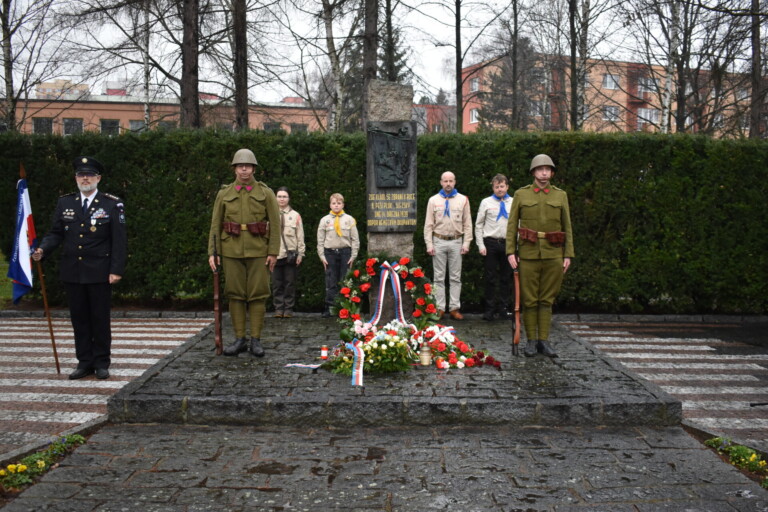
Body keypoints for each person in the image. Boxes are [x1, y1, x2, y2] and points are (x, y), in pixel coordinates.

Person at [32, 157, 127, 380]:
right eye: (81, 175)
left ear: (98, 178)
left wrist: (116, 270)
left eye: (90, 175)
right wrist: (43, 250)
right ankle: (84, 362)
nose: (85, 178)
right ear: (76, 178)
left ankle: (102, 362)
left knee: (99, 318)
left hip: (100, 270)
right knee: (79, 318)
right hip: (73, 270)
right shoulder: (66, 203)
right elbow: (56, 233)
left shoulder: (112, 203)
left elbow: (119, 241)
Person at [208, 149, 280, 357]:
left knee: (258, 295)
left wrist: (273, 251)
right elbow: (215, 224)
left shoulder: (266, 193)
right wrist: (213, 252)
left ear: (254, 168)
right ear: (234, 169)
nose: (244, 169)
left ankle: (255, 340)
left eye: (248, 166)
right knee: (235, 294)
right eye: (240, 166)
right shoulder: (224, 194)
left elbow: (275, 224)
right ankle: (240, 339)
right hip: (231, 249)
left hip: (259, 250)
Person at [506, 154, 574, 358]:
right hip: (528, 253)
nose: (544, 173)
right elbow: (512, 225)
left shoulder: (560, 195)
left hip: (554, 253)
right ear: (533, 172)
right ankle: (531, 341)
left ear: (551, 172)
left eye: (548, 169)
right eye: (540, 169)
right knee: (529, 300)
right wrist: (511, 251)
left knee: (547, 299)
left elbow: (567, 226)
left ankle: (543, 340)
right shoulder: (521, 194)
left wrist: (568, 254)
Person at [423, 171, 472, 320]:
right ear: (441, 182)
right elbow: (428, 225)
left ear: (455, 182)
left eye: (451, 181)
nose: (448, 184)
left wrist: (467, 242)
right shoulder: (433, 200)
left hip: (456, 241)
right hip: (439, 241)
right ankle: (439, 307)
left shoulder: (463, 200)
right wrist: (429, 244)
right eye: (445, 181)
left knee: (455, 277)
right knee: (438, 277)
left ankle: (454, 308)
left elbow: (468, 223)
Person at [475, 174, 513, 321]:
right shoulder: (486, 202)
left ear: (507, 187)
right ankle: (489, 310)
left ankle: (503, 309)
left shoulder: (513, 202)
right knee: (490, 278)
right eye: (496, 187)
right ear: (493, 187)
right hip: (490, 243)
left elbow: (518, 225)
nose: (499, 189)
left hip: (507, 243)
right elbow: (479, 225)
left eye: (502, 186)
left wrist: (515, 247)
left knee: (506, 277)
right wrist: (480, 244)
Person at [317, 193, 359, 318]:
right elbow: (320, 240)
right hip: (329, 253)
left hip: (345, 252)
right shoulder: (325, 220)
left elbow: (355, 239)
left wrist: (353, 255)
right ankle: (330, 308)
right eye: (334, 203)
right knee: (331, 281)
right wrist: (322, 256)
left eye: (339, 203)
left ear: (343, 204)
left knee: (345, 281)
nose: (336, 205)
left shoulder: (349, 219)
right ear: (330, 205)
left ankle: (344, 308)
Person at [272, 187, 305, 318]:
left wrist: (301, 253)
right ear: (275, 198)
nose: (281, 199)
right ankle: (278, 308)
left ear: (289, 198)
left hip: (290, 254)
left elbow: (300, 236)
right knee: (276, 283)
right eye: (279, 196)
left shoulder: (295, 215)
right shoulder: (270, 214)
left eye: (284, 196)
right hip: (275, 254)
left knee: (289, 283)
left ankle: (289, 309)